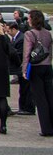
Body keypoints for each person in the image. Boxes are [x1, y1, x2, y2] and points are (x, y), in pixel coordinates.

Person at [21, 9, 53, 137]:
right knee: (50, 96)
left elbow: (27, 53)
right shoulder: (48, 33)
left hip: (35, 67)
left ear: (32, 20)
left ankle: (46, 128)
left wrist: (24, 70)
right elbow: (50, 51)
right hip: (47, 66)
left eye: (29, 18)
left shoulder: (30, 34)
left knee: (40, 99)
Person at [7, 23, 35, 116]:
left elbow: (20, 53)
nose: (7, 32)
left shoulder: (21, 38)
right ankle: (23, 107)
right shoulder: (16, 38)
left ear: (13, 29)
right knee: (23, 89)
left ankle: (27, 108)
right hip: (21, 66)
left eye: (8, 30)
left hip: (23, 66)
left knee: (26, 88)